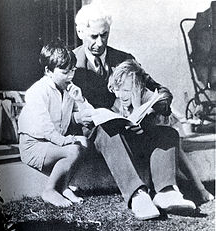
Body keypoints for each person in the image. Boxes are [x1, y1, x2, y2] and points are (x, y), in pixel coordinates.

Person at [71, 3, 197, 220]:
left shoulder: (123, 58)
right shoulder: (70, 63)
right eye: (93, 36)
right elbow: (55, 106)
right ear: (79, 31)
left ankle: (166, 192)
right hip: (98, 136)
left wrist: (154, 107)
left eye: (104, 35)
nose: (99, 43)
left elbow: (161, 90)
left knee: (167, 134)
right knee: (105, 130)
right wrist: (77, 116)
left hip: (131, 128)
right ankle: (138, 194)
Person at [108, 59, 214, 204]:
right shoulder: (120, 99)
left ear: (139, 88)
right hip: (142, 139)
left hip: (162, 130)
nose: (121, 95)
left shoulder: (150, 98)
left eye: (126, 91)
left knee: (176, 152)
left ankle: (199, 188)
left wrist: (139, 108)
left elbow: (157, 121)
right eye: (116, 90)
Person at [18, 39, 92, 207]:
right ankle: (50, 190)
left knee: (84, 143)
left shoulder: (67, 89)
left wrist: (80, 100)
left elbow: (87, 116)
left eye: (72, 70)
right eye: (64, 72)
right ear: (48, 71)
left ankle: (63, 187)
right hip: (34, 144)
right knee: (73, 149)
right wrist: (68, 140)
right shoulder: (38, 91)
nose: (70, 76)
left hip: (52, 143)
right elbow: (45, 128)